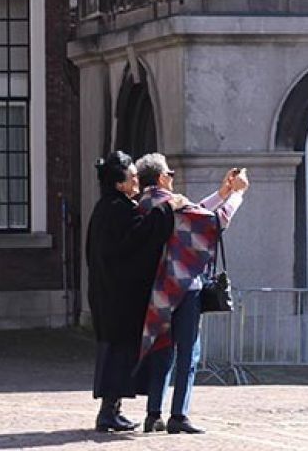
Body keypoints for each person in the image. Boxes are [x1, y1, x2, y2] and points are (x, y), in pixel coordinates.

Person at [135, 156, 249, 434]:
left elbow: (193, 213)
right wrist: (238, 195)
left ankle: (153, 414)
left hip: (156, 290)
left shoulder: (144, 204)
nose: (172, 177)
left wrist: (222, 193)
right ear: (161, 177)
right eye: (170, 173)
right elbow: (213, 222)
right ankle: (178, 415)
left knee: (162, 348)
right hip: (185, 287)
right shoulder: (172, 202)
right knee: (188, 351)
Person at [86, 151, 175, 433]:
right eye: (132, 176)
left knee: (115, 351)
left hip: (109, 296)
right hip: (118, 299)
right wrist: (162, 213)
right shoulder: (117, 210)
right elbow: (137, 240)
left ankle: (112, 410)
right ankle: (109, 412)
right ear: (118, 182)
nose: (137, 181)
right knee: (118, 352)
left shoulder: (107, 208)